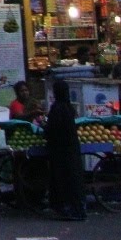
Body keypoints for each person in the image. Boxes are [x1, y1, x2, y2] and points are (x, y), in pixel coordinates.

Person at [44, 79, 86, 220]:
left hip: (60, 151)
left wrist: (45, 127)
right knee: (74, 181)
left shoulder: (57, 108)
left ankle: (68, 209)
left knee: (63, 181)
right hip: (71, 150)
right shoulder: (68, 108)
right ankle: (78, 209)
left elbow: (52, 130)